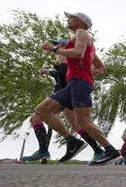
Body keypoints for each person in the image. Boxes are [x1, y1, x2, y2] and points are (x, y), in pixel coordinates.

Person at [34, 12, 121, 166]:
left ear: (80, 21)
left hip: (79, 84)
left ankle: (110, 150)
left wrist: (54, 49)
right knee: (41, 110)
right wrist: (85, 75)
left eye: (71, 17)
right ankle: (72, 141)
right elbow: (101, 68)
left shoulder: (82, 33)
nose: (67, 19)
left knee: (84, 121)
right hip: (74, 83)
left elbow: (78, 54)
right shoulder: (85, 42)